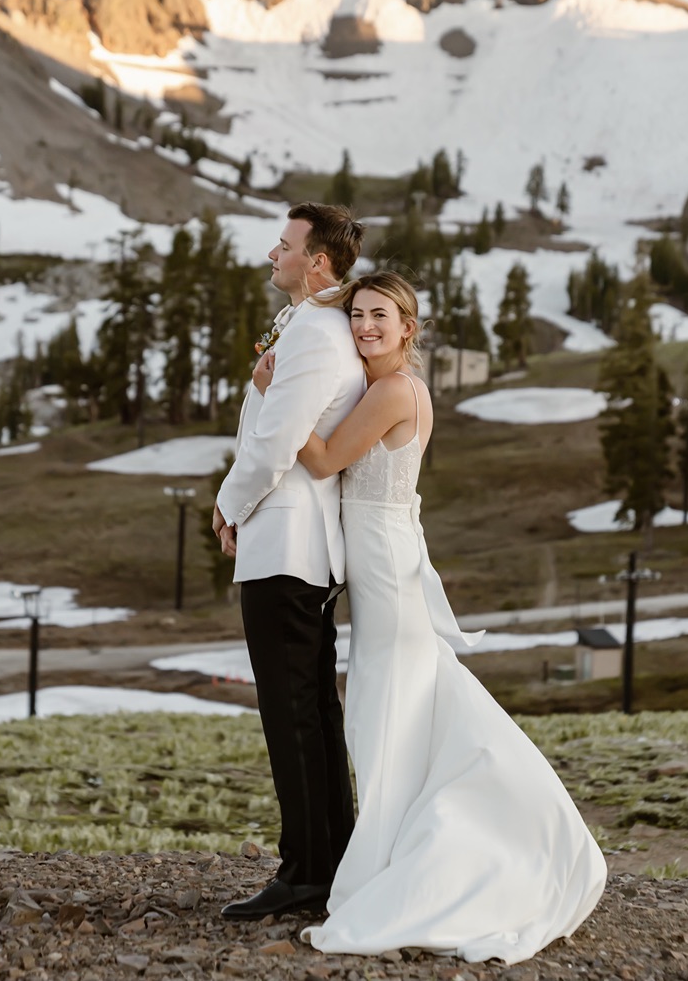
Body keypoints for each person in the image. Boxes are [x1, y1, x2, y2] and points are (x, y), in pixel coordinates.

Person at [250, 270, 607, 964]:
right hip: (386, 562)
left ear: (408, 327)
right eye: (356, 315)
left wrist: (273, 395)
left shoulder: (392, 391)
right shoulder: (388, 388)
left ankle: (391, 870)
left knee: (383, 714)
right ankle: (404, 849)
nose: (364, 327)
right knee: (405, 710)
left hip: (386, 571)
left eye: (380, 315)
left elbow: (321, 460)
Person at [212, 202, 366, 920]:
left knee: (292, 712)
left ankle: (306, 870)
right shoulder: (318, 325)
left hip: (286, 541)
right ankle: (330, 860)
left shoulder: (313, 331)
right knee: (311, 711)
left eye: (284, 246)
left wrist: (229, 502)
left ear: (319, 262)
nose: (272, 255)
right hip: (303, 544)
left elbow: (277, 440)